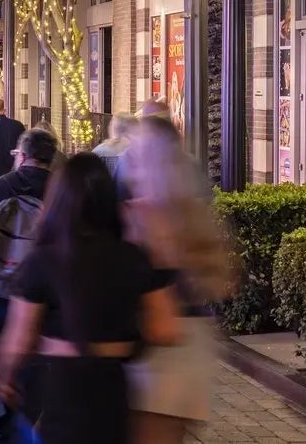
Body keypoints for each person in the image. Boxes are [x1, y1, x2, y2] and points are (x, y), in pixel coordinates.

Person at [0, 154, 181, 444]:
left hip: (64, 390)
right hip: (114, 391)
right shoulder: (133, 258)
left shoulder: (42, 261)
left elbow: (18, 339)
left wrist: (1, 372)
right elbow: (165, 329)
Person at [120, 117, 238, 444]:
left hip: (165, 341)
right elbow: (223, 278)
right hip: (180, 338)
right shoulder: (187, 211)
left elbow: (219, 278)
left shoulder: (145, 214)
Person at [0, 127, 57, 444]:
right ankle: (36, 421)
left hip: (1, 293)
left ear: (22, 155)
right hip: (50, 298)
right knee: (42, 362)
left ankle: (7, 428)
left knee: (5, 357)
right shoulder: (63, 191)